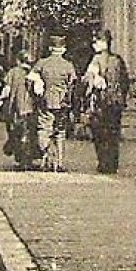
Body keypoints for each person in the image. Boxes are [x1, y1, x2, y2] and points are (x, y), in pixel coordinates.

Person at [83, 29, 130, 174]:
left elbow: (88, 80)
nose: (93, 44)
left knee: (99, 134)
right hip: (115, 102)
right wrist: (121, 97)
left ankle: (103, 163)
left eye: (95, 41)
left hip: (100, 103)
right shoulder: (118, 60)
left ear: (103, 43)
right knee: (113, 133)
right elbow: (125, 81)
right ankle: (113, 163)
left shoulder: (96, 60)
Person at [33, 35, 77, 171]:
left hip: (45, 101)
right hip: (62, 103)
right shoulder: (68, 65)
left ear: (50, 48)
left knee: (43, 129)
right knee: (60, 132)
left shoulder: (41, 63)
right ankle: (59, 162)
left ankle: (45, 156)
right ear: (63, 49)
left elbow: (30, 79)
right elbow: (73, 84)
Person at [0, 48, 41, 169]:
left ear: (18, 60)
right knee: (29, 132)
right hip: (31, 107)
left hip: (16, 107)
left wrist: (0, 103)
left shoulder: (13, 72)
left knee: (15, 132)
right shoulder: (34, 72)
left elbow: (7, 89)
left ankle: (20, 157)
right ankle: (27, 158)